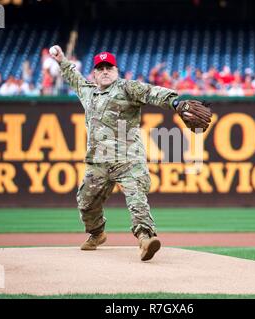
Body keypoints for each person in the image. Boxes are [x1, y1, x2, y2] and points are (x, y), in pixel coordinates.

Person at [49, 45, 211, 261]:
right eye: (100, 68)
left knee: (136, 198)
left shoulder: (126, 88)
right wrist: (61, 60)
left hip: (128, 158)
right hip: (98, 162)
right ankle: (97, 233)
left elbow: (150, 92)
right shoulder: (88, 91)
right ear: (94, 74)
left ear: (116, 71)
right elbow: (73, 76)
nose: (105, 71)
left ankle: (146, 239)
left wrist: (175, 102)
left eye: (109, 67)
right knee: (86, 203)